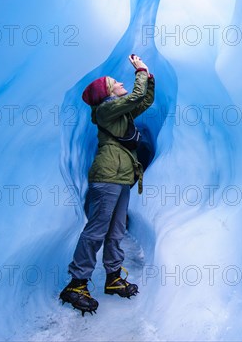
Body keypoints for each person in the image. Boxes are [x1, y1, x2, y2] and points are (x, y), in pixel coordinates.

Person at [59, 54, 155, 316]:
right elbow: (134, 96)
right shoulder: (106, 110)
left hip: (122, 177)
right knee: (96, 231)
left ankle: (112, 277)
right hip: (107, 177)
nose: (120, 82)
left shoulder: (118, 113)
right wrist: (141, 72)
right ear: (107, 93)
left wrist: (150, 80)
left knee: (116, 231)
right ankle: (77, 284)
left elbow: (143, 100)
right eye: (115, 82)